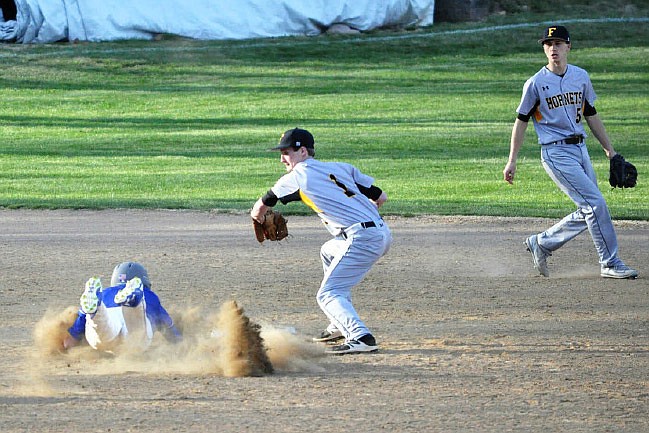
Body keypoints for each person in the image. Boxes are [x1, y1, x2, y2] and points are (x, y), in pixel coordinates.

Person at [503, 25, 638, 280]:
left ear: (568, 47)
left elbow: (591, 115)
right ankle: (610, 262)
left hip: (581, 149)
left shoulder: (581, 76)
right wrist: (512, 161)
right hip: (555, 153)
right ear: (544, 49)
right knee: (595, 204)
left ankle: (542, 243)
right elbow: (520, 121)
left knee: (589, 207)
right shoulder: (535, 83)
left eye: (558, 44)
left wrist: (610, 150)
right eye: (548, 44)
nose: (553, 48)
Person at [250, 128, 392, 354]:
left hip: (362, 238)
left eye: (286, 152)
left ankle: (360, 336)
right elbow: (380, 197)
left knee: (328, 293)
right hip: (380, 234)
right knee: (328, 250)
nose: (282, 158)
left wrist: (256, 217)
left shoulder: (299, 174)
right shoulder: (341, 168)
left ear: (303, 151)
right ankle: (338, 325)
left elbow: (262, 205)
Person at [64, 261, 182, 352]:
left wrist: (68, 345)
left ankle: (96, 311)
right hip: (134, 340)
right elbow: (171, 331)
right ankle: (134, 302)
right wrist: (179, 342)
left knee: (100, 325)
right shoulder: (149, 295)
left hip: (106, 332)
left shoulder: (105, 293)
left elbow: (70, 342)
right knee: (136, 327)